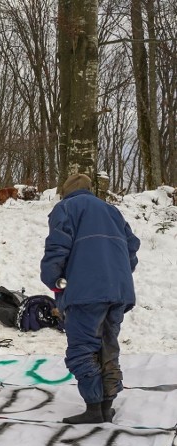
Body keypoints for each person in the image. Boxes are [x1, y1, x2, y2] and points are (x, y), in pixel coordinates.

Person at [40, 173, 140, 424]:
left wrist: (53, 279)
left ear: (66, 190)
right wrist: (119, 274)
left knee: (82, 350)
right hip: (118, 290)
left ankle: (94, 409)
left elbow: (57, 247)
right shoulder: (112, 211)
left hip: (86, 292)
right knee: (108, 346)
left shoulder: (66, 208)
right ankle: (107, 405)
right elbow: (132, 248)